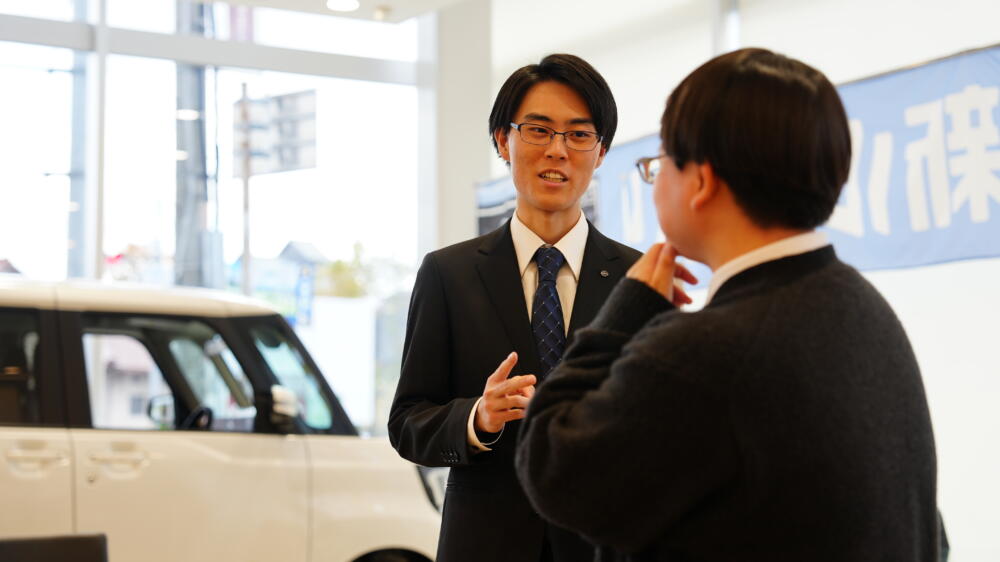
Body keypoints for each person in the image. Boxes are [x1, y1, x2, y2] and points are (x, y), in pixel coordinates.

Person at [515, 48, 941, 561]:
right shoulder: (867, 309)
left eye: (662, 162)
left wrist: (623, 317)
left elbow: (551, 466)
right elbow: (927, 531)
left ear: (702, 181)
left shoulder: (705, 350)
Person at [388, 54, 644, 561]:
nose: (557, 150)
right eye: (538, 130)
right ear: (503, 141)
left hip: (601, 542)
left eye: (578, 134)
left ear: (601, 152)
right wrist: (477, 417)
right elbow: (407, 422)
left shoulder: (638, 280)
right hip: (485, 543)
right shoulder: (448, 274)